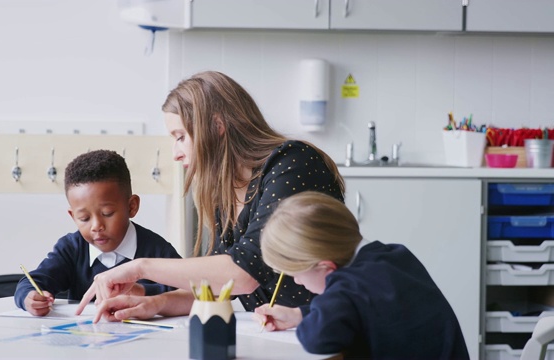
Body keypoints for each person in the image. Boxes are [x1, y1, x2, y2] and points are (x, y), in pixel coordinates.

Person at [76, 70, 345, 322]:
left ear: (217, 126)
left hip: (324, 326)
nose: (175, 153)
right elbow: (216, 288)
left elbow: (243, 274)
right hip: (281, 332)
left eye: (180, 137)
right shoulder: (227, 188)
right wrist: (155, 303)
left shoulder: (292, 163)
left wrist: (139, 267)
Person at [254, 191, 469, 359]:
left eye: (295, 275)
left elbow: (317, 338)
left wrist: (310, 318)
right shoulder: (394, 255)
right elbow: (358, 307)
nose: (297, 282)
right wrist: (299, 315)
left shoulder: (347, 286)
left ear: (326, 267)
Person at [14, 149, 182, 316]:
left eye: (107, 214)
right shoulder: (71, 248)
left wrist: (142, 291)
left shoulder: (157, 250)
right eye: (84, 218)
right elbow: (34, 281)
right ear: (73, 216)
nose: (96, 226)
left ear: (131, 207)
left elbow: (188, 289)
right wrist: (29, 297)